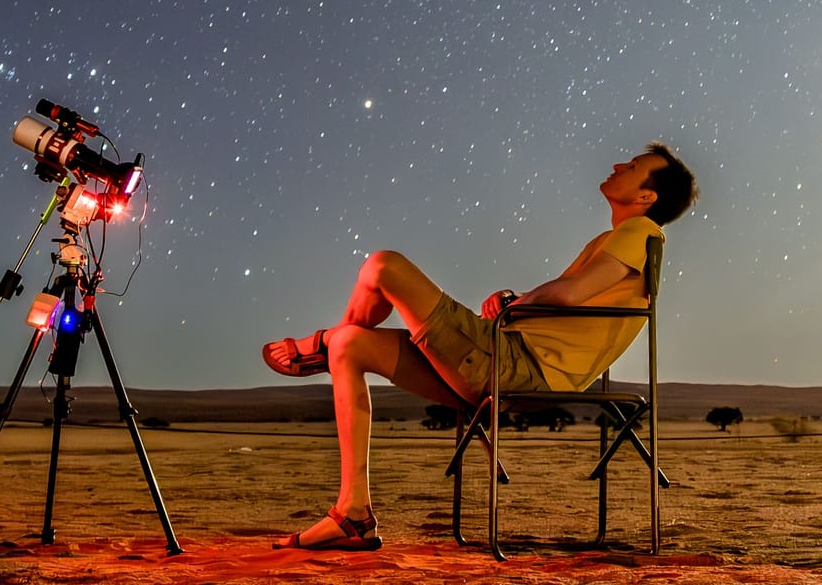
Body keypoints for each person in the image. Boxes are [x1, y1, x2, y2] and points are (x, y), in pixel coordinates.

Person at [260, 143, 699, 550]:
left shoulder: (642, 231)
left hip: (516, 367)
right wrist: (518, 302)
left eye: (634, 167)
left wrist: (520, 303)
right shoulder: (618, 240)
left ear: (646, 198)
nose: (620, 165)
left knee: (383, 265)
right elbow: (572, 303)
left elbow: (569, 293)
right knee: (352, 346)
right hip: (510, 359)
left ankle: (318, 343)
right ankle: (353, 514)